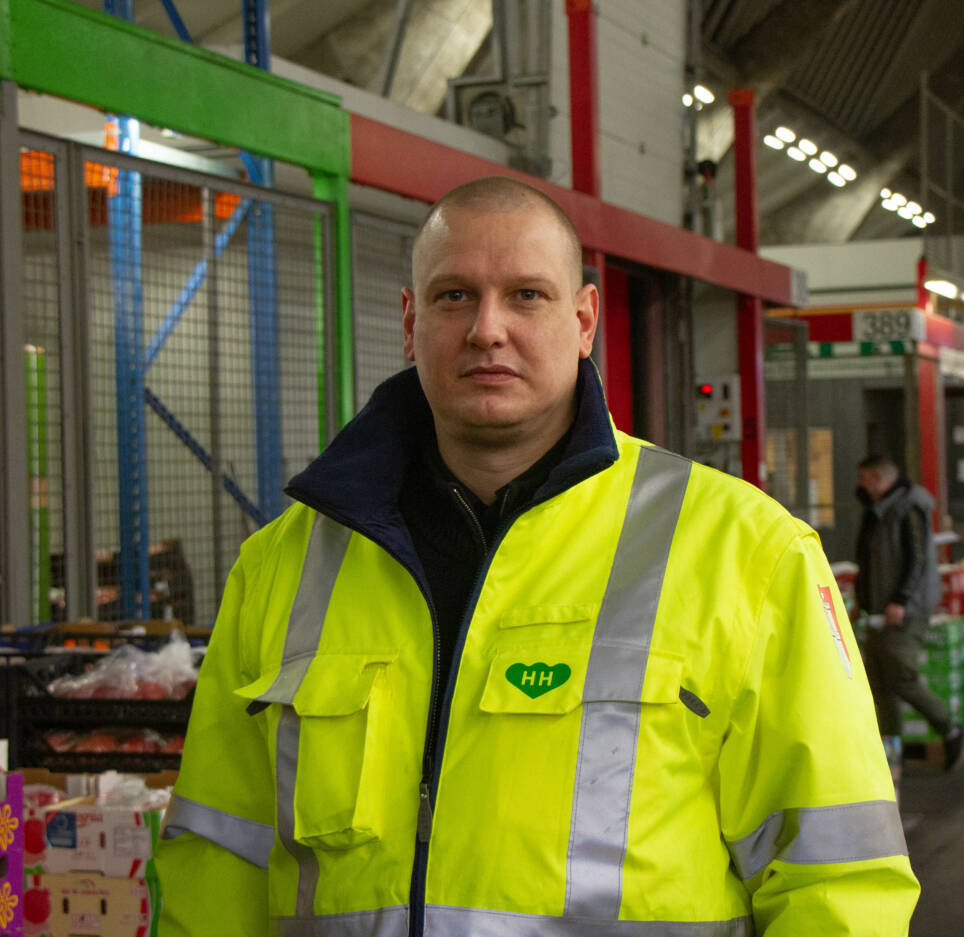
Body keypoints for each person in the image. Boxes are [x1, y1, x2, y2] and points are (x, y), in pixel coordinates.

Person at [154, 177, 918, 935]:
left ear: (583, 320)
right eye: (455, 296)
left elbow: (837, 879)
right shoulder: (281, 568)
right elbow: (217, 864)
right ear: (409, 321)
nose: (488, 328)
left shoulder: (747, 553)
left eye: (526, 295)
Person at [855, 454, 964, 770]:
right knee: (879, 685)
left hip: (906, 611)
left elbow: (916, 559)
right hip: (879, 611)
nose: (860, 486)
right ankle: (890, 761)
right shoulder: (876, 512)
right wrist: (862, 601)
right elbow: (869, 561)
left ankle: (951, 729)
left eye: (864, 479)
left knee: (901, 676)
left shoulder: (908, 508)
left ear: (877, 478)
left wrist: (901, 601)